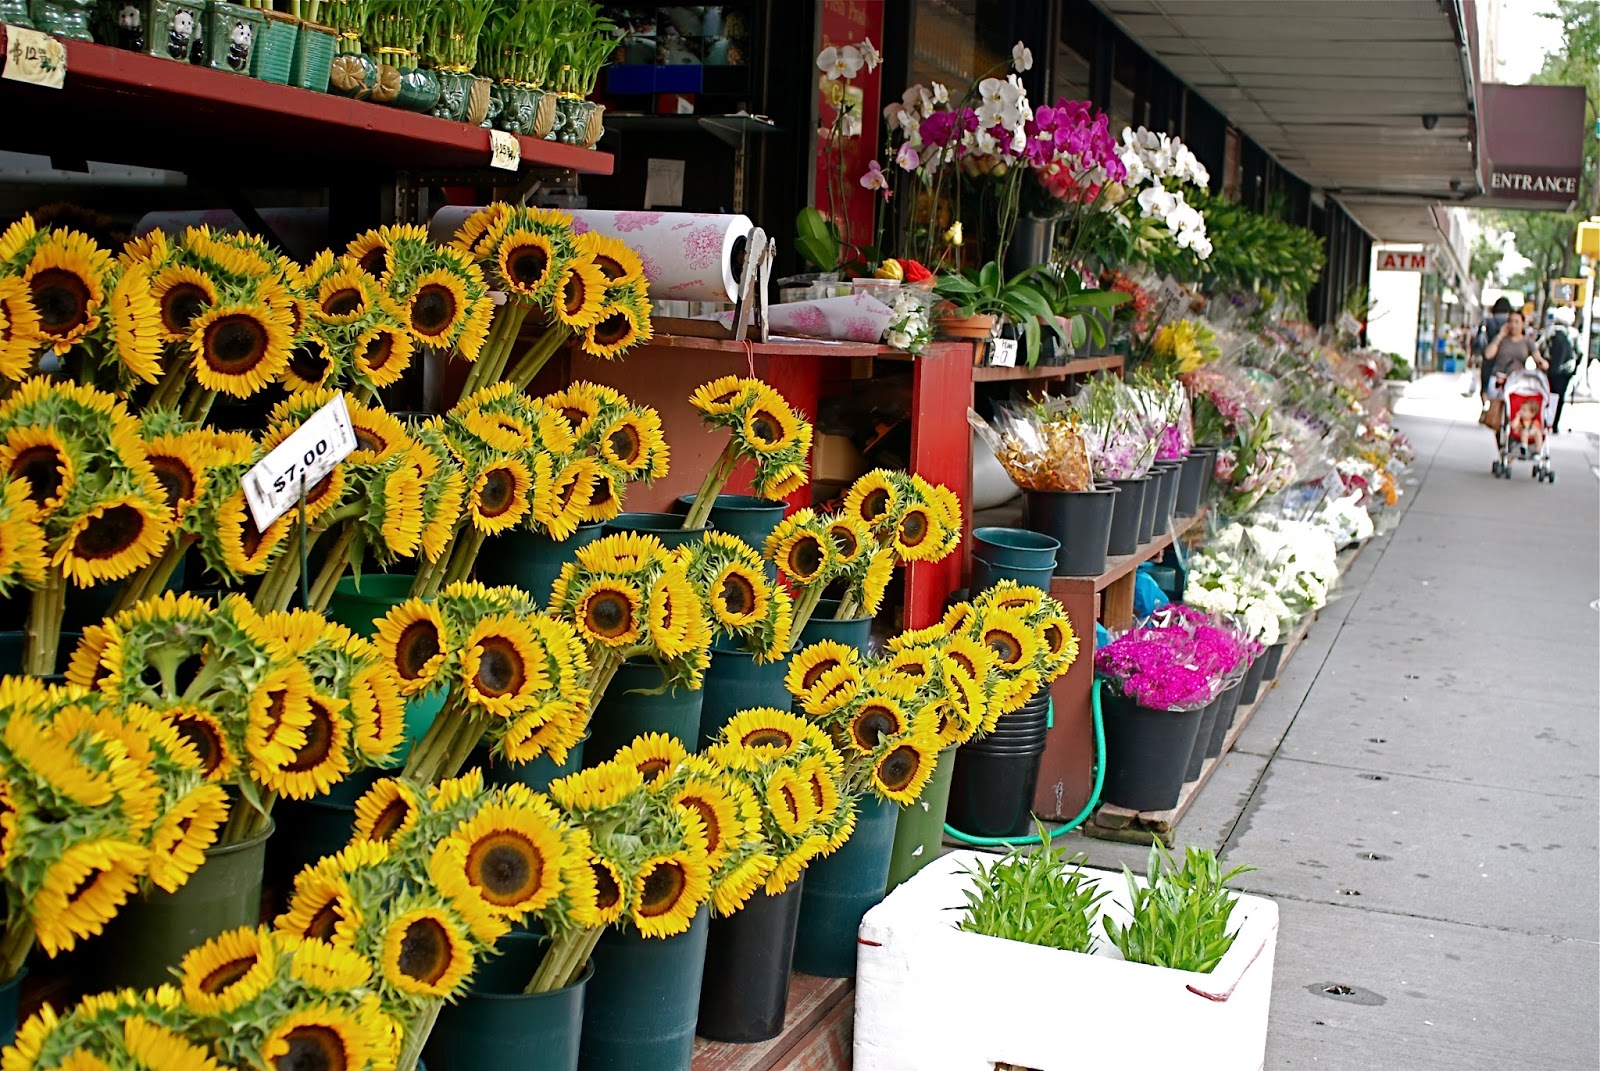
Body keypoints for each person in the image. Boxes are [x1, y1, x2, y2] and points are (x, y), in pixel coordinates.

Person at [1481, 309, 1544, 436]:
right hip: (1499, 379)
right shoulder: (1502, 340)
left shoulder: (1527, 342)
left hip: (1517, 381)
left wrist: (1543, 363)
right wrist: (1500, 336)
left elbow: (1538, 358)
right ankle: (1501, 441)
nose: (1513, 325)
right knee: (1497, 419)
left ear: (1523, 324)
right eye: (1510, 321)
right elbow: (1488, 354)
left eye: (1517, 321)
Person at [1541, 305, 1578, 433]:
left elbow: (1541, 347)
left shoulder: (1549, 332)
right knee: (1560, 397)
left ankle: (1545, 420)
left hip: (1549, 369)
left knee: (1547, 395)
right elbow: (1579, 352)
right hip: (1565, 371)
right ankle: (1555, 423)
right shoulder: (1573, 334)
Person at [1474, 297, 1512, 401]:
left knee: (1485, 387)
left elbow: (1479, 342)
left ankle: (1486, 407)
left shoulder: (1487, 321)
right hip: (1506, 361)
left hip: (1488, 358)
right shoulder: (1510, 323)